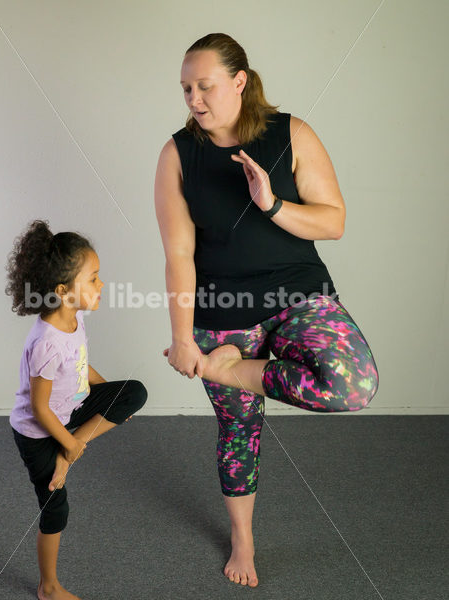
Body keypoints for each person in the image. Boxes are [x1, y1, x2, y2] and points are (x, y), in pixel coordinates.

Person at [154, 33, 379, 588]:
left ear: (240, 81)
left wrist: (271, 204)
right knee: (239, 430)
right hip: (222, 309)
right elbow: (179, 254)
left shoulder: (291, 134)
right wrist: (182, 338)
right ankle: (243, 538)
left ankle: (231, 370)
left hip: (298, 296)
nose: (194, 100)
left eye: (205, 86)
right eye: (186, 89)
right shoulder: (178, 154)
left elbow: (333, 222)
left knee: (352, 385)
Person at [5, 219, 148, 600]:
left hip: (69, 412)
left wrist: (110, 399)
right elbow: (39, 408)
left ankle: (71, 453)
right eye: (94, 279)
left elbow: (82, 366)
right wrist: (67, 443)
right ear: (64, 291)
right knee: (56, 508)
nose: (102, 286)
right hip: (38, 431)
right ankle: (48, 587)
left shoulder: (75, 317)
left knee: (134, 392)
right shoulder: (46, 343)